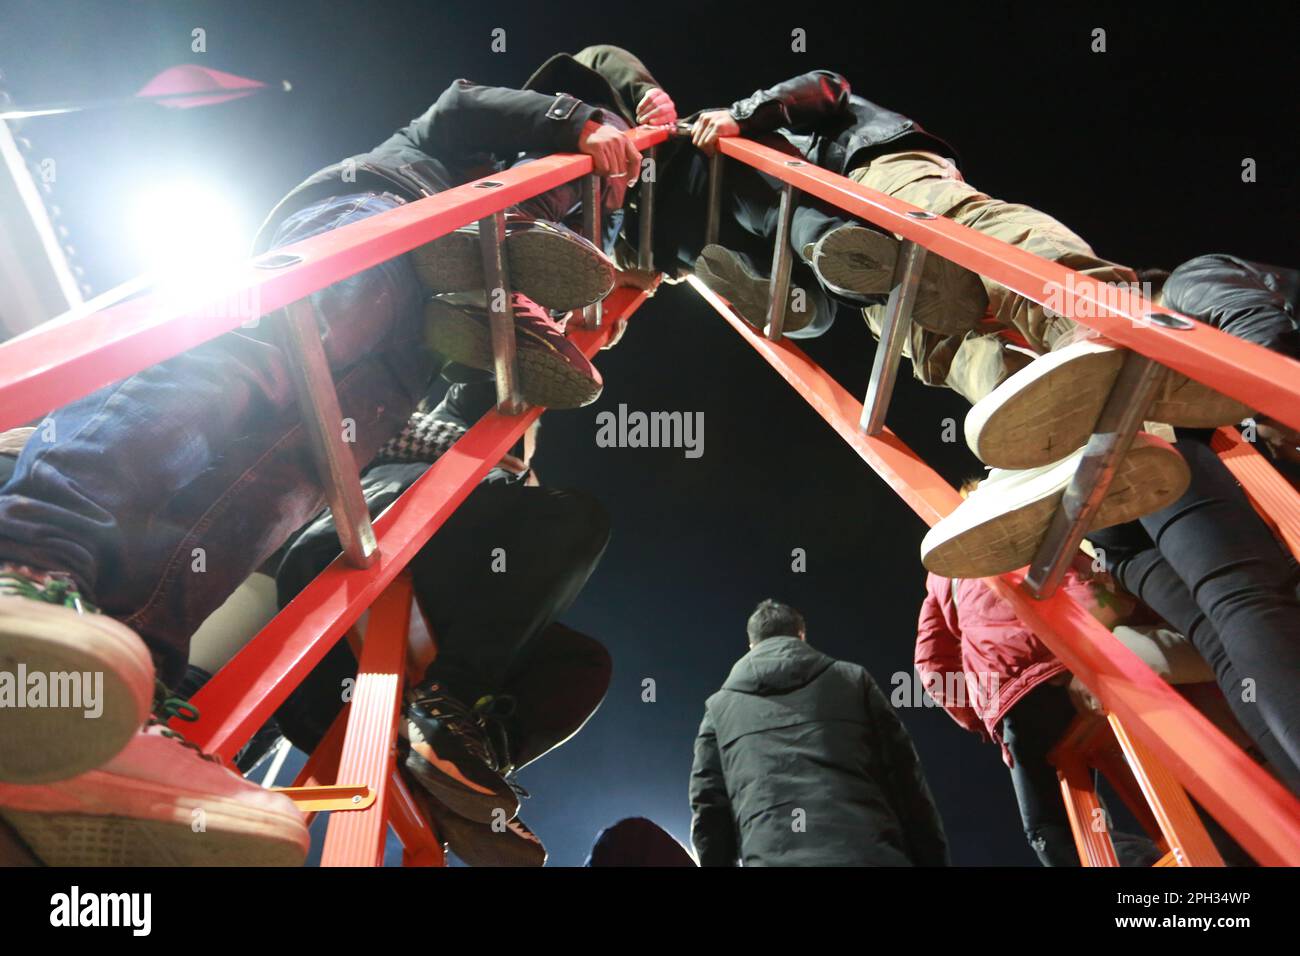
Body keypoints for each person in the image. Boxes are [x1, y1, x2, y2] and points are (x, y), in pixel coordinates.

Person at [0, 74, 640, 865]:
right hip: (390, 223)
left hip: (417, 333)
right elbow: (461, 99)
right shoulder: (478, 152)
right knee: (264, 361)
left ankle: (119, 700)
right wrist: (581, 121)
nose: (577, 202)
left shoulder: (519, 226)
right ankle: (28, 560)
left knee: (298, 471)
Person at [270, 380, 614, 866]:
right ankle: (444, 714)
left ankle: (458, 761)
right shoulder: (454, 431)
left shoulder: (503, 495)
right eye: (531, 432)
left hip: (384, 670)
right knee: (576, 516)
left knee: (582, 662)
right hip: (373, 547)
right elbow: (492, 372)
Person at [914, 542, 1191, 866]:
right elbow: (1091, 572)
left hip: (1018, 694)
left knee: (1050, 829)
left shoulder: (944, 571)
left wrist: (986, 718)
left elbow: (931, 664)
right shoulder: (1026, 514)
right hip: (1082, 653)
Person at [689, 599, 949, 866]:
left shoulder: (718, 710)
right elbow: (907, 780)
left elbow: (709, 812)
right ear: (800, 635)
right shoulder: (853, 680)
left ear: (751, 644)